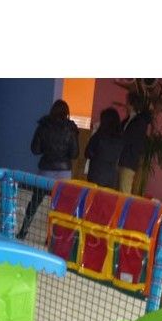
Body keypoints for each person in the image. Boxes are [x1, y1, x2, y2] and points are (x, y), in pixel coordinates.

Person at [16, 99, 79, 240]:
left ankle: (23, 231)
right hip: (64, 173)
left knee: (35, 202)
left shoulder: (44, 126)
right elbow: (75, 154)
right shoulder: (71, 129)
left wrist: (47, 149)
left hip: (46, 170)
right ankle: (52, 238)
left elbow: (35, 149)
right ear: (67, 113)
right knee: (61, 207)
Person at [118, 92, 152, 194]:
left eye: (127, 102)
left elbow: (131, 139)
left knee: (124, 190)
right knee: (121, 190)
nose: (126, 104)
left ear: (132, 104)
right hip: (123, 159)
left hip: (128, 160)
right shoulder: (131, 119)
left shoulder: (139, 121)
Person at [84, 107, 123, 189]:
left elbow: (87, 153)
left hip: (96, 175)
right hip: (111, 177)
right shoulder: (120, 138)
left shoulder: (99, 136)